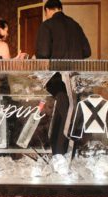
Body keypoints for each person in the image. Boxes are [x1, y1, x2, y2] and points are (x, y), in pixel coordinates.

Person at [35, 0, 91, 156]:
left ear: (47, 10)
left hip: (57, 79)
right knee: (67, 114)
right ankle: (66, 153)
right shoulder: (75, 25)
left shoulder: (47, 25)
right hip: (75, 79)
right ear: (60, 8)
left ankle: (60, 154)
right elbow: (87, 51)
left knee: (63, 115)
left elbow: (43, 54)